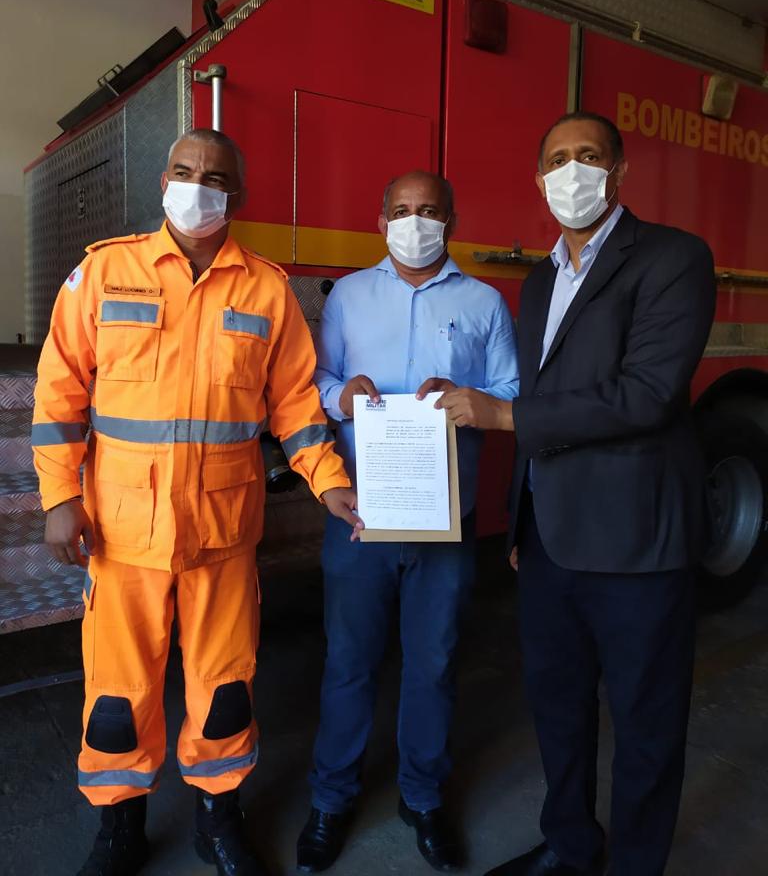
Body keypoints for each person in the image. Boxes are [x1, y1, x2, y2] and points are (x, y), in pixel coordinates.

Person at [32, 129, 359, 876]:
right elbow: (58, 393)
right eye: (184, 171)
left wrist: (329, 480)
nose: (197, 186)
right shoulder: (105, 272)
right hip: (121, 534)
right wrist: (58, 496)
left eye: (215, 177)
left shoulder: (266, 289)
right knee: (118, 698)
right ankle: (119, 827)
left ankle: (219, 818)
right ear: (163, 182)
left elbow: (295, 405)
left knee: (225, 689)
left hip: (222, 532)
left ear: (236, 194)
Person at [436, 112, 716, 876]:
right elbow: (542, 392)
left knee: (645, 724)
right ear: (539, 180)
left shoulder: (673, 259)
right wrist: (518, 519)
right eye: (557, 159)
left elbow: (647, 395)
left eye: (588, 155)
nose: (572, 171)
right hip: (549, 541)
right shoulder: (539, 281)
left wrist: (502, 416)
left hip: (636, 543)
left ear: (618, 171)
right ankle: (569, 847)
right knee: (558, 709)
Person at [295, 170, 519, 873]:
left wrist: (468, 395)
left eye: (428, 211)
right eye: (401, 210)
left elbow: (512, 390)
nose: (414, 221)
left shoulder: (484, 302)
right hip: (361, 515)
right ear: (380, 220)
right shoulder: (348, 297)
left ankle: (422, 797)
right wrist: (344, 395)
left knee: (435, 662)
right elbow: (317, 381)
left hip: (445, 521)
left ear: (451, 221)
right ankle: (331, 799)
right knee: (349, 663)